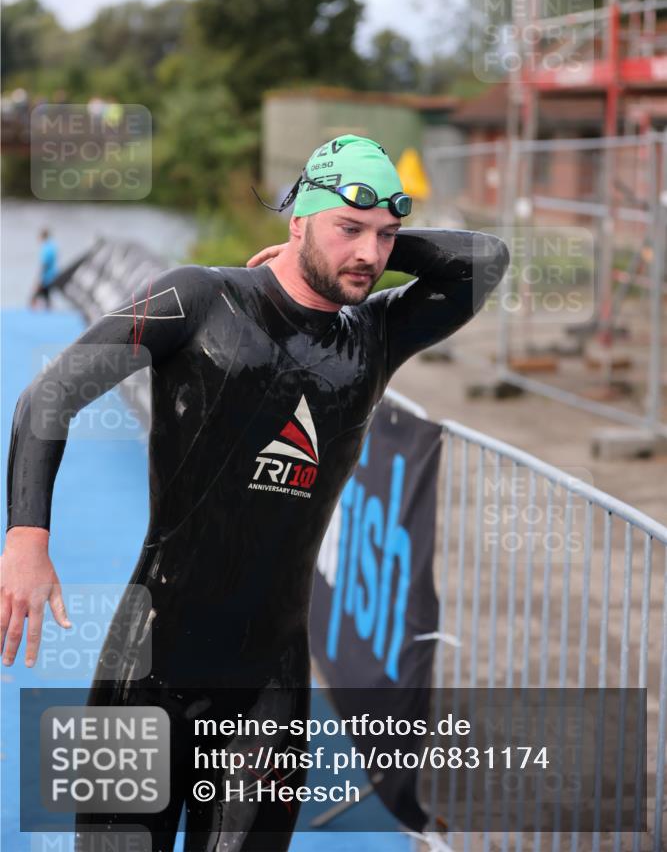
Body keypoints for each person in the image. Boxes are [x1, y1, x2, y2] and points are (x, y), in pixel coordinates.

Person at [1, 135, 510, 851]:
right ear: (295, 220)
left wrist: (367, 232)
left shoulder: (377, 334)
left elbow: (483, 260)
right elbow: (49, 396)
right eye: (348, 228)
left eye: (386, 237)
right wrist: (26, 538)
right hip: (147, 666)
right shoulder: (201, 299)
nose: (369, 253)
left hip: (267, 688)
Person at [30, 227, 58, 309]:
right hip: (53, 275)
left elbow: (44, 264)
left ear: (42, 236)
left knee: (34, 296)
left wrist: (39, 278)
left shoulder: (46, 248)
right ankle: (49, 310)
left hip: (46, 276)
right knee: (46, 296)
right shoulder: (52, 246)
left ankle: (32, 313)